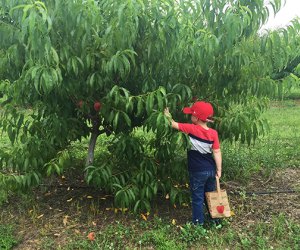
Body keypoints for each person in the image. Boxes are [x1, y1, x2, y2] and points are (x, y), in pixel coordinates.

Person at [164, 101, 222, 225]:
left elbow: (173, 124)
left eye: (191, 114)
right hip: (211, 170)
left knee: (197, 198)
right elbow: (217, 152)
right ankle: (216, 220)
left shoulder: (191, 129)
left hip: (197, 171)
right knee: (211, 195)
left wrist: (167, 114)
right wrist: (219, 170)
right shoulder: (213, 134)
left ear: (196, 117)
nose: (190, 116)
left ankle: (198, 224)